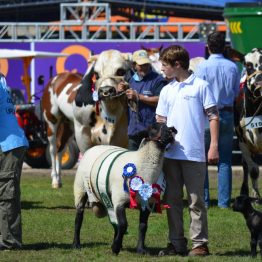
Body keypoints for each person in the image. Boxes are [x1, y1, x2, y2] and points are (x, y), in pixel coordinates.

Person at [156, 45, 219, 256]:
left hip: (194, 153)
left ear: (178, 65)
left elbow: (213, 117)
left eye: (165, 65)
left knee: (196, 201)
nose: (161, 69)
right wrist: (162, 137)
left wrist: (214, 146)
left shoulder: (201, 86)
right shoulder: (166, 90)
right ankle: (176, 243)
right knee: (171, 200)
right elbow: (161, 121)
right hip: (170, 155)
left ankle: (199, 244)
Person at [195, 32, 240, 208]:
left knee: (202, 159)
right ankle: (223, 203)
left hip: (207, 115)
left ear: (208, 47)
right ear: (224, 47)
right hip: (227, 113)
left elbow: (198, 94)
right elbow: (236, 93)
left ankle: (205, 201)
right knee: (225, 160)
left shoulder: (202, 67)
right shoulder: (233, 67)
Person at [0, 73, 28, 250]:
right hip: (10, 142)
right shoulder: (1, 79)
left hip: (8, 144)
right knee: (7, 192)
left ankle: (9, 241)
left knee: (6, 193)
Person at [124, 49, 168, 150]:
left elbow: (161, 101)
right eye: (141, 65)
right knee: (132, 164)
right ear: (134, 65)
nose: (144, 67)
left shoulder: (158, 80)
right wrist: (121, 91)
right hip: (133, 131)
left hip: (151, 133)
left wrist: (138, 97)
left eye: (146, 64)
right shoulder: (130, 80)